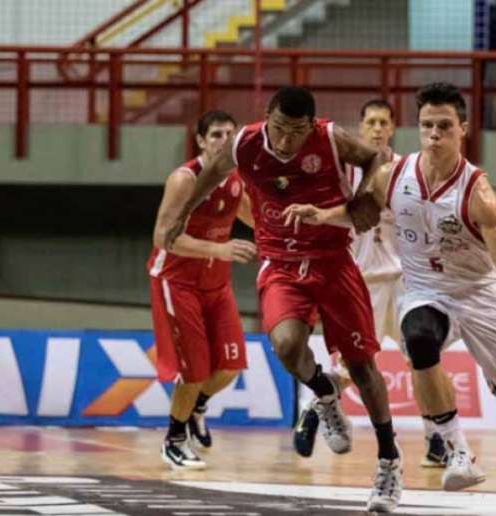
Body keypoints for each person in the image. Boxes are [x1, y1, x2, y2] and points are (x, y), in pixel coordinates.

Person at [284, 82, 496, 514]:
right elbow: (359, 215)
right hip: (424, 289)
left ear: (463, 130)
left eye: (444, 126)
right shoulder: (392, 176)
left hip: (479, 295)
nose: (434, 134)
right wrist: (322, 215)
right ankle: (456, 449)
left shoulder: (479, 194)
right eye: (427, 125)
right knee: (418, 339)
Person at [158, 87, 402, 513]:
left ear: (310, 124)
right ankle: (324, 395)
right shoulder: (246, 143)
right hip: (282, 263)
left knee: (363, 367)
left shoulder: (331, 138)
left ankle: (389, 461)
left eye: (296, 131)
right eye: (279, 129)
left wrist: (364, 199)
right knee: (287, 345)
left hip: (333, 259)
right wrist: (182, 214)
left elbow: (375, 158)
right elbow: (212, 172)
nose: (287, 140)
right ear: (265, 117)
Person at [292, 99, 455, 470]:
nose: (378, 129)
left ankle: (436, 440)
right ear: (361, 127)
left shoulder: (408, 170)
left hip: (406, 280)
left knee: (424, 360)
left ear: (393, 127)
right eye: (371, 123)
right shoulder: (344, 173)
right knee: (354, 368)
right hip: (361, 281)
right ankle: (313, 407)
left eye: (384, 122)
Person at [148, 110, 257, 470]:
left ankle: (197, 406)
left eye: (230, 134)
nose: (224, 141)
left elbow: (254, 219)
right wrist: (218, 249)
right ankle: (174, 440)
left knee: (231, 365)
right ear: (200, 140)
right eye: (215, 135)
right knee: (193, 371)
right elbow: (163, 238)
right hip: (177, 281)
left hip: (216, 284)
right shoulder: (184, 179)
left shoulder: (236, 178)